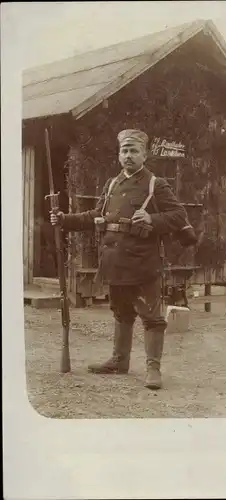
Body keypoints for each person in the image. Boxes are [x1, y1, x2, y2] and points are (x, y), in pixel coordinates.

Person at [50, 129, 192, 390]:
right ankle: (119, 361)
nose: (128, 155)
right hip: (114, 261)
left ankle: (153, 369)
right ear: (119, 155)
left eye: (134, 151)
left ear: (144, 155)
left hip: (143, 262)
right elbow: (96, 214)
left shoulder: (155, 185)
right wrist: (65, 220)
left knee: (151, 317)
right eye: (124, 151)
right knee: (122, 312)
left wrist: (152, 219)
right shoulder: (112, 184)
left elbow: (179, 215)